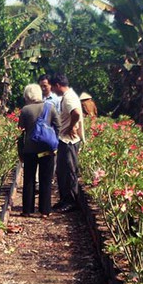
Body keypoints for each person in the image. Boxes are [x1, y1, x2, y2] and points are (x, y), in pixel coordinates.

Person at [18, 84, 60, 218]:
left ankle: (27, 209)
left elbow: (20, 131)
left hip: (30, 149)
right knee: (46, 179)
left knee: (29, 179)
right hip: (46, 149)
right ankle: (45, 210)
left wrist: (20, 150)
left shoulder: (25, 110)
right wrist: (54, 142)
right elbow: (58, 126)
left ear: (27, 95)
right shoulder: (50, 107)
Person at [51, 73, 85, 213]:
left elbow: (76, 113)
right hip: (65, 140)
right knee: (62, 171)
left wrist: (71, 127)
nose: (53, 91)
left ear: (58, 85)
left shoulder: (69, 97)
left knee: (69, 171)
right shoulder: (68, 96)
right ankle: (65, 199)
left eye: (53, 87)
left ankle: (70, 201)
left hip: (69, 140)